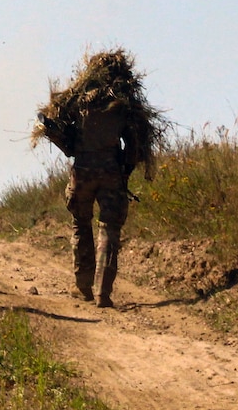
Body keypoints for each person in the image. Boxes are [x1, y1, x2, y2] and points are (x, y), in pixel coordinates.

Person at [34, 49, 164, 308]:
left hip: (82, 171)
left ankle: (83, 287)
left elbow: (62, 135)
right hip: (111, 172)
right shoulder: (123, 103)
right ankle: (103, 292)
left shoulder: (78, 100)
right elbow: (135, 144)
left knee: (81, 224)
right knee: (109, 230)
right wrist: (125, 170)